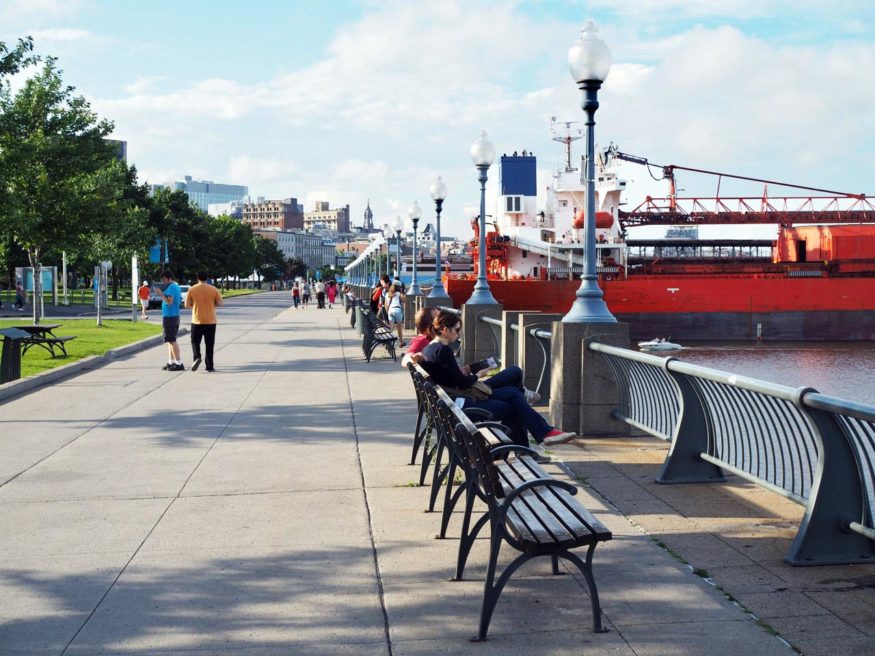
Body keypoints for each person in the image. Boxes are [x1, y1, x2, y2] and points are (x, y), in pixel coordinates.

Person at [421, 311, 574, 447]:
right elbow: (461, 382)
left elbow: (452, 378)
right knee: (516, 402)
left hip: (454, 401)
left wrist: (467, 373)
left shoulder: (430, 349)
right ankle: (539, 436)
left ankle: (541, 436)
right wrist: (476, 376)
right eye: (457, 330)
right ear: (444, 330)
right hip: (462, 403)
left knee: (514, 391)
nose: (459, 334)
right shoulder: (443, 350)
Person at [185, 271, 223, 372]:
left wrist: (195, 305)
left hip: (197, 320)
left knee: (195, 341)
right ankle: (209, 366)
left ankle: (197, 357)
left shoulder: (192, 289)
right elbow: (220, 303)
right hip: (210, 321)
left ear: (197, 278)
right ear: (207, 278)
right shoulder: (213, 289)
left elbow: (186, 305)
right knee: (209, 344)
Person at [155, 270, 184, 371]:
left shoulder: (172, 287)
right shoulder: (175, 286)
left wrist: (161, 294)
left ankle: (179, 363)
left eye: (164, 280)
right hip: (172, 316)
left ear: (170, 278)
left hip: (170, 317)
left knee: (172, 340)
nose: (163, 282)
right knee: (169, 340)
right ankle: (171, 361)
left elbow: (169, 302)